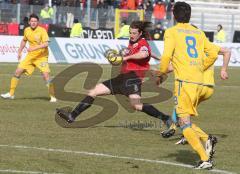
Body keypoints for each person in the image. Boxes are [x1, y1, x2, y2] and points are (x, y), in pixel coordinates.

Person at [56, 20, 172, 127]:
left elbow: (143, 54)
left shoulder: (142, 42)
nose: (131, 35)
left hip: (133, 79)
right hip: (121, 78)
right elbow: (147, 53)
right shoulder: (133, 41)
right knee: (94, 91)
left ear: (140, 33)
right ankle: (72, 116)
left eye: (134, 33)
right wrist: (158, 58)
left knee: (136, 105)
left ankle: (165, 118)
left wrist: (125, 58)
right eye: (130, 32)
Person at [156, 2, 226, 169]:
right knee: (183, 120)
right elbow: (213, 53)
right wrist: (201, 66)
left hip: (185, 84)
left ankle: (205, 159)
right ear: (189, 15)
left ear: (173, 15)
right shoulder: (198, 32)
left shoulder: (172, 32)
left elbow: (166, 57)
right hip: (199, 83)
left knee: (183, 121)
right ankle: (206, 141)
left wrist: (161, 74)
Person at [1, 14, 57, 102]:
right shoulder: (27, 30)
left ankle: (53, 96)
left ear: (38, 22)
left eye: (35, 21)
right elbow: (24, 40)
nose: (33, 23)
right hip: (30, 56)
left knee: (45, 75)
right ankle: (11, 94)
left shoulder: (42, 31)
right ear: (29, 22)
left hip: (41, 57)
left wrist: (35, 48)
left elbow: (46, 43)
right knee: (17, 71)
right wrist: (19, 51)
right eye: (32, 21)